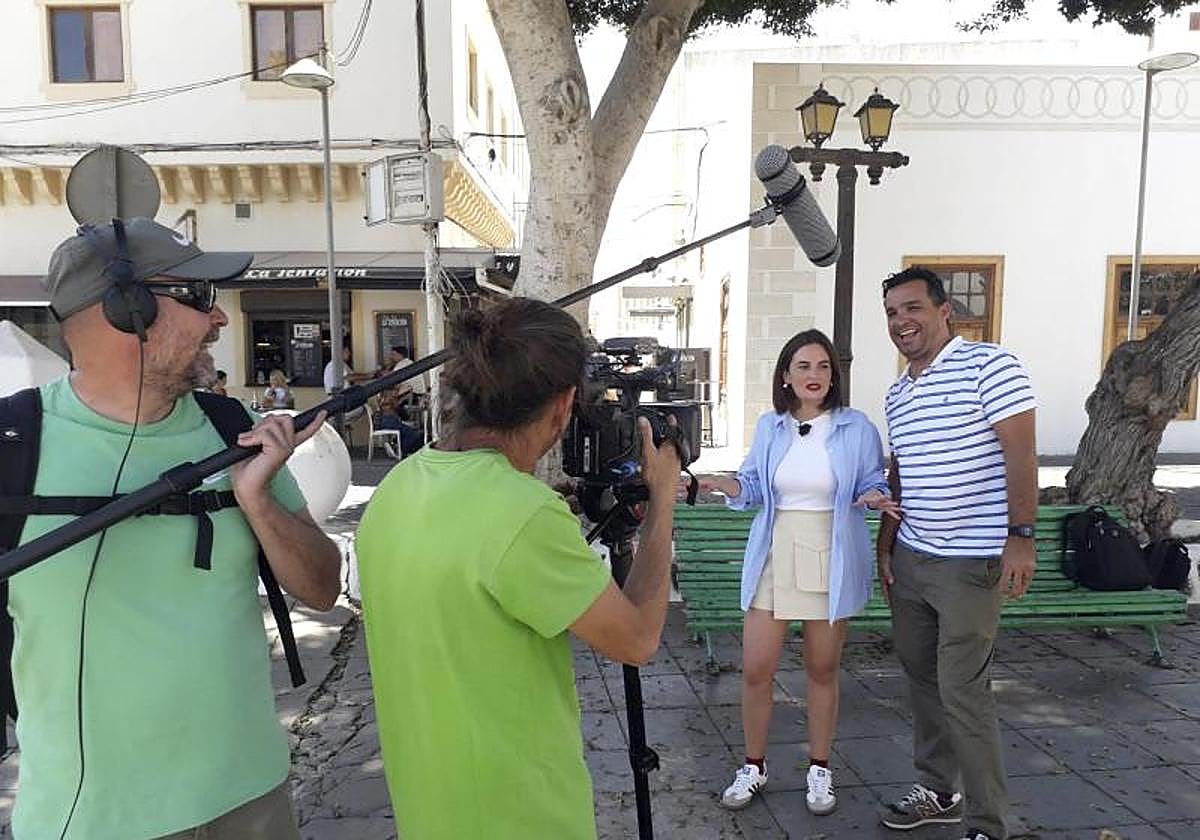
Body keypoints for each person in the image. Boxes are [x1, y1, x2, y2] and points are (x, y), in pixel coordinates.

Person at [8, 219, 342, 839]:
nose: (219, 320)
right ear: (126, 309)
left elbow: (323, 588)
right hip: (97, 820)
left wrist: (257, 499)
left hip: (253, 798)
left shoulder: (228, 425)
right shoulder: (12, 445)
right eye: (199, 298)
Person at [355, 297, 681, 839]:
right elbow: (639, 639)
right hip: (521, 818)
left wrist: (532, 511)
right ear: (563, 404)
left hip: (429, 809)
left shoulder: (399, 487)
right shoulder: (523, 516)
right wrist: (663, 501)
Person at [696, 329, 898, 816]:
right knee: (757, 669)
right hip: (774, 550)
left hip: (830, 553)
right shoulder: (771, 427)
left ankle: (820, 769)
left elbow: (873, 480)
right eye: (804, 366)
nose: (814, 376)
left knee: (822, 669)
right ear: (785, 375)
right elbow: (751, 486)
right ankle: (754, 765)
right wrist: (717, 483)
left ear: (834, 376)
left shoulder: (856, 427)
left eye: (823, 367)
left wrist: (873, 496)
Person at [875, 267, 1037, 840]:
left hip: (973, 561)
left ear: (946, 311)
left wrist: (1022, 536)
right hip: (914, 561)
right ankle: (939, 790)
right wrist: (886, 548)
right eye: (892, 312)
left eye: (913, 308)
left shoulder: (991, 366)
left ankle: (989, 825)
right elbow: (902, 475)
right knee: (921, 677)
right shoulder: (899, 393)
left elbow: (1021, 453)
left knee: (963, 691)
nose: (902, 322)